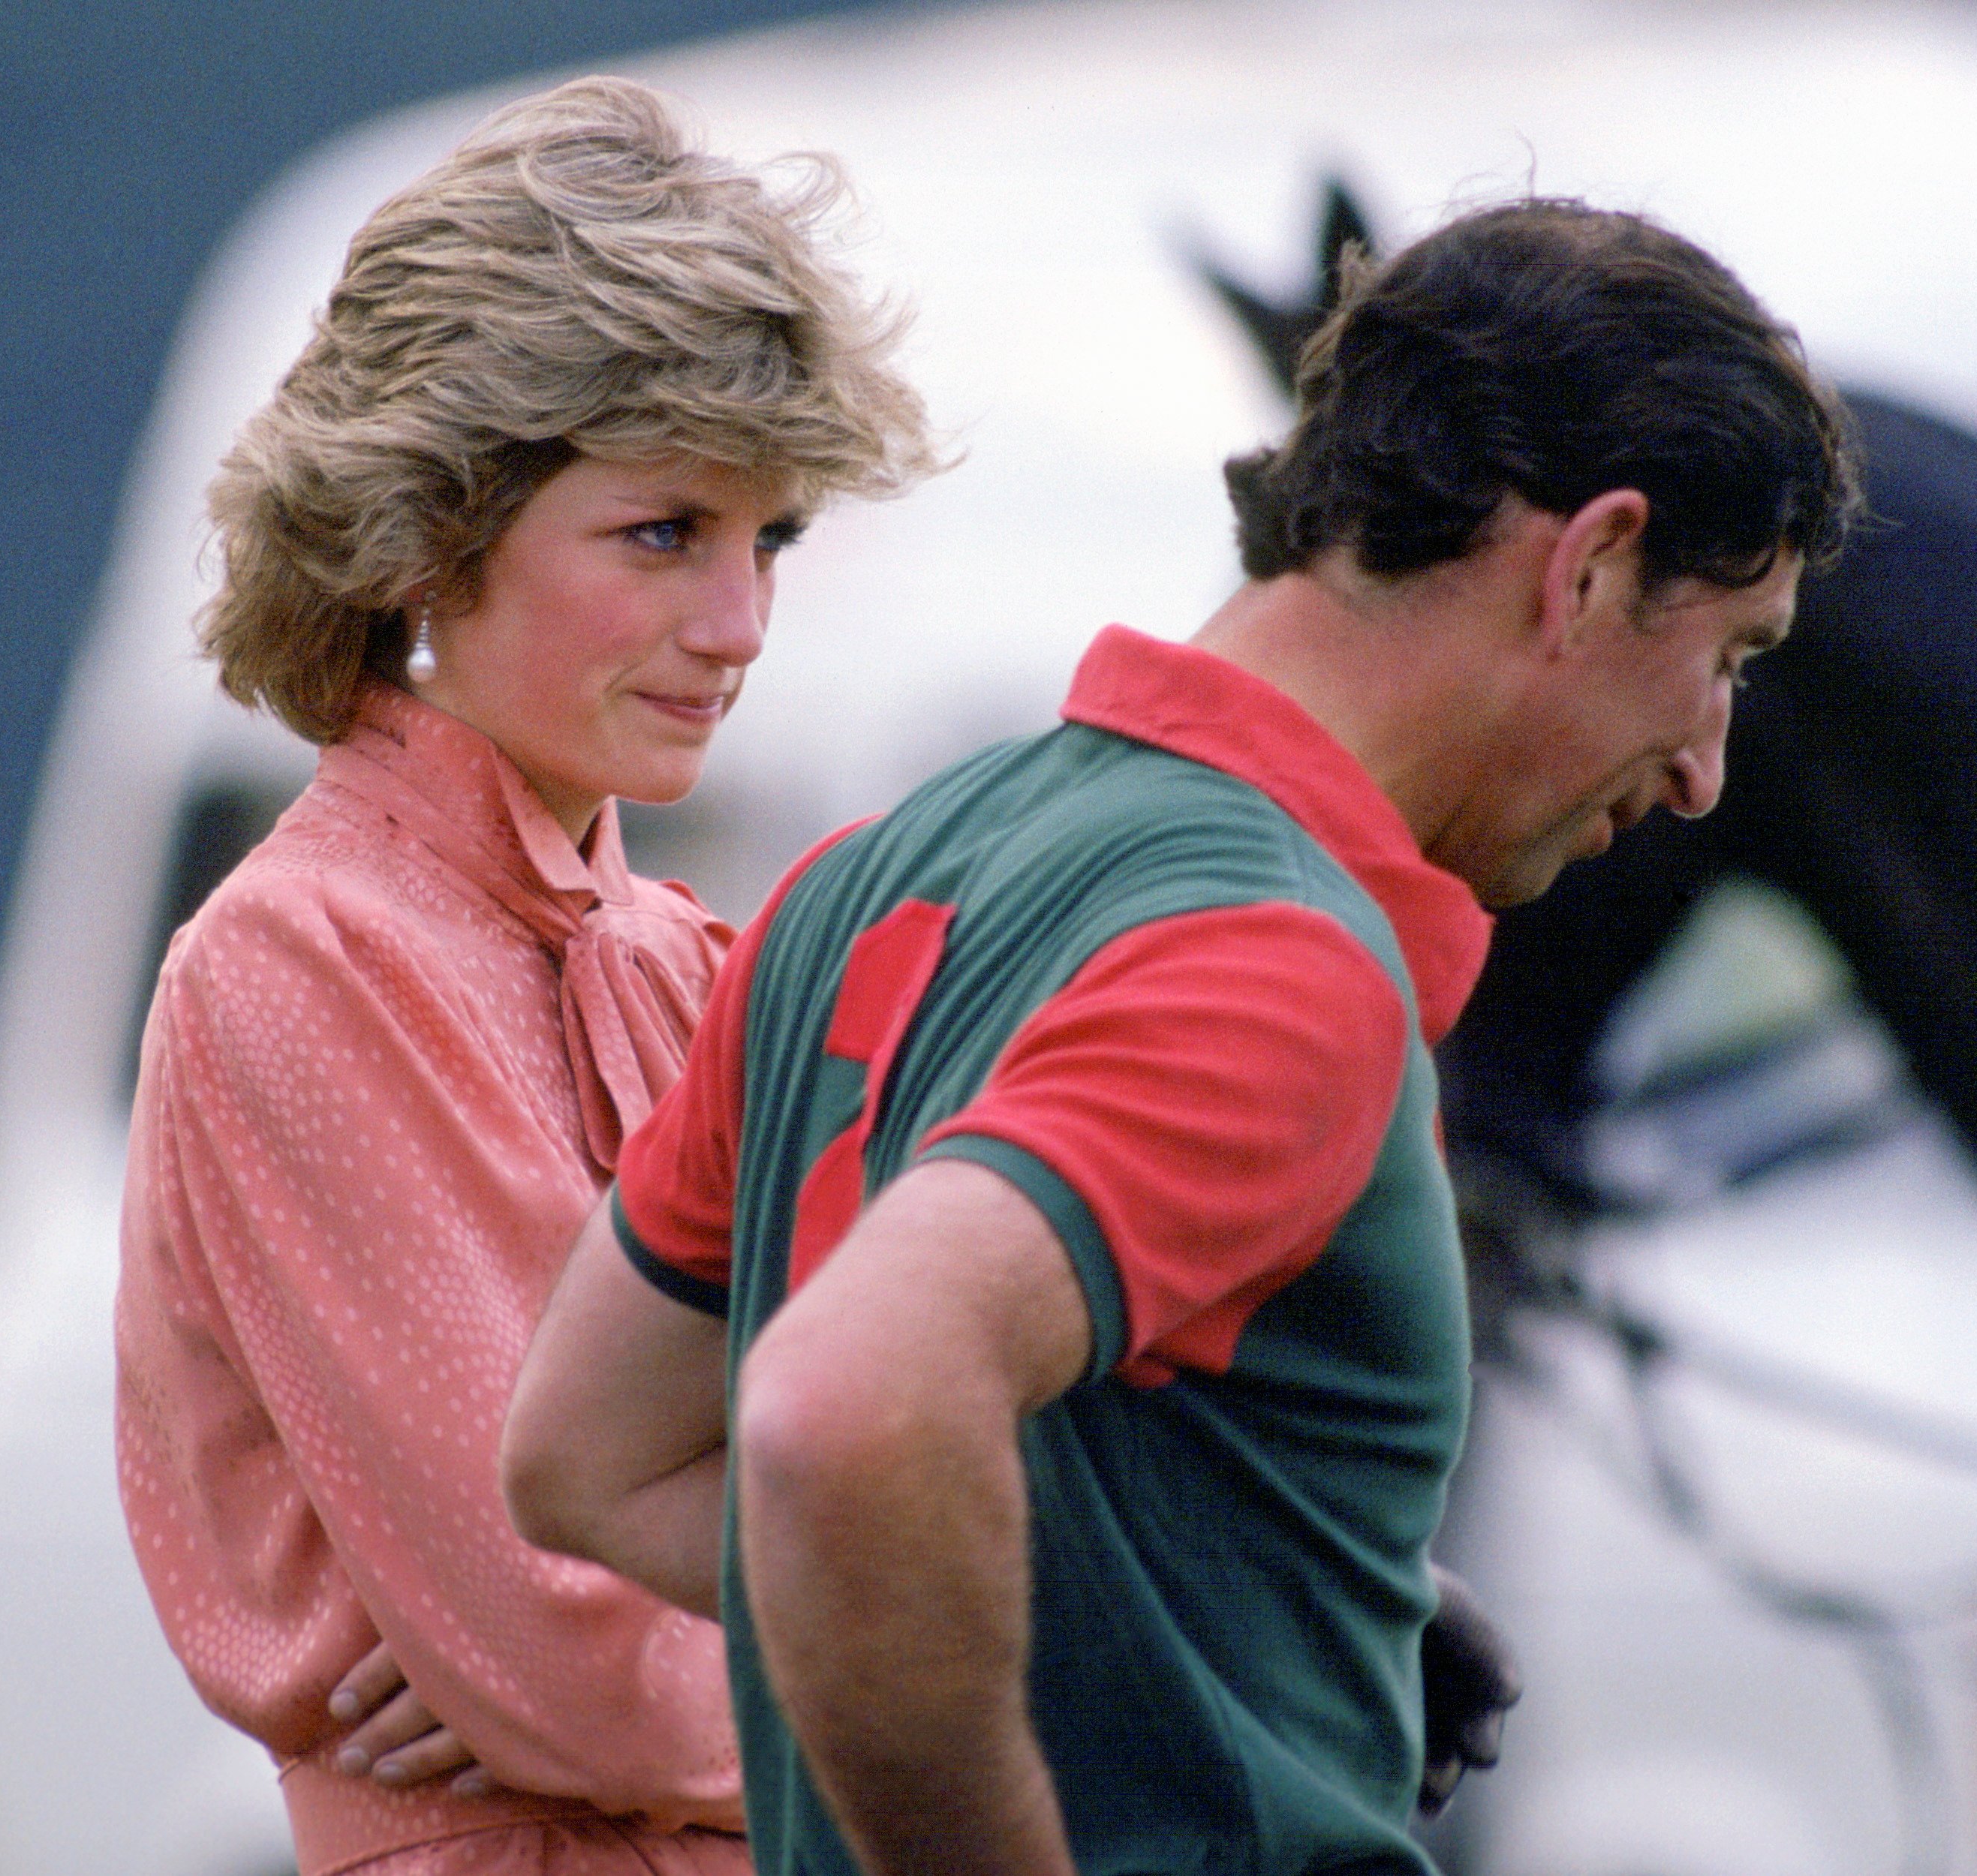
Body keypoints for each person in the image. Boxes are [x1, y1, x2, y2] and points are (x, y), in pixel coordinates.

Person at [501, 197, 1857, 1876]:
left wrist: (1221, 1600)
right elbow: (841, 1417)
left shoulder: (863, 878)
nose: (1704, 767)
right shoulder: (1275, 957)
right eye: (1724, 654)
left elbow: (586, 1457)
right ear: (1586, 565)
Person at [111, 76, 935, 1876]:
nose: (736, 624)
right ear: (425, 529)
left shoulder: (687, 956)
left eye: (766, 539)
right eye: (663, 534)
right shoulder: (302, 957)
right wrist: (965, 1684)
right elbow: (569, 1648)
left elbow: (907, 1461)